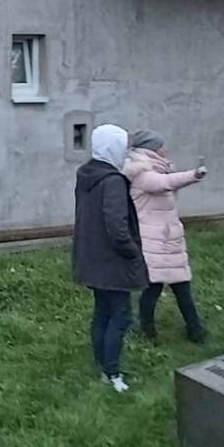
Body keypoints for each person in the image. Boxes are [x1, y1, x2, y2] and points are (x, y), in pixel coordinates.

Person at [72, 124, 148, 393]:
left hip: (91, 257)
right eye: (122, 147)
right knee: (121, 315)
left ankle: (101, 363)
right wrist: (132, 251)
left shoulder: (87, 175)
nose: (125, 153)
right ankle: (112, 371)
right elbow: (117, 226)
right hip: (112, 260)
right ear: (112, 148)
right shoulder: (113, 181)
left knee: (102, 311)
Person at [123, 129, 208, 343]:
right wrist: (194, 175)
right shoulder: (141, 173)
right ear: (151, 148)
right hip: (154, 241)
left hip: (168, 239)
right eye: (161, 146)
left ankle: (195, 330)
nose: (164, 149)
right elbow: (164, 183)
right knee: (153, 289)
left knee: (182, 287)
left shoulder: (157, 169)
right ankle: (147, 331)